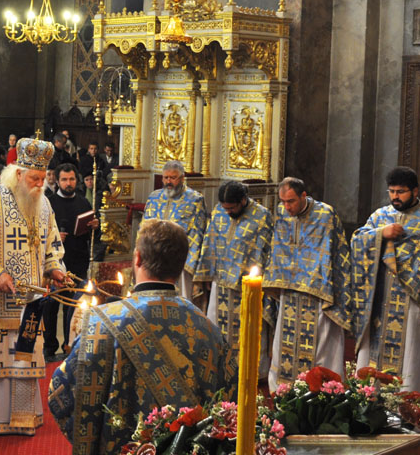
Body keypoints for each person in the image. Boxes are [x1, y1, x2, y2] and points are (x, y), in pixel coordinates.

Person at [49, 219, 234, 455]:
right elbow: (227, 408)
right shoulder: (209, 331)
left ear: (136, 258)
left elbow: (60, 396)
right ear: (182, 263)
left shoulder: (101, 323)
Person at [0, 138, 66, 435]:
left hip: (31, 301)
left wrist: (55, 268)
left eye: (44, 178)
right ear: (18, 173)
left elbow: (51, 244)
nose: (39, 183)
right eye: (34, 177)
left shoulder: (43, 204)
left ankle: (22, 417)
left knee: (25, 356)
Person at [349, 167, 420, 400]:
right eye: (391, 191)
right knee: (375, 360)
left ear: (415, 191)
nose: (395, 197)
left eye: (400, 192)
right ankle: (371, 406)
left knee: (412, 362)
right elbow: (357, 242)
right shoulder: (380, 217)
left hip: (414, 303)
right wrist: (381, 233)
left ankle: (411, 416)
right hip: (380, 300)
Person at [263, 177, 354, 388]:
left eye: (291, 201)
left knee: (320, 348)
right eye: (283, 201)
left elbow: (338, 255)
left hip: (318, 295)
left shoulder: (325, 215)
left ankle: (323, 391)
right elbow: (278, 249)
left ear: (304, 196)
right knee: (285, 346)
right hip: (288, 293)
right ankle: (284, 391)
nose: (287, 207)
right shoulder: (281, 214)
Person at [200, 180, 274, 375]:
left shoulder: (261, 216)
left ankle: (252, 371)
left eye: (231, 208)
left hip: (246, 286)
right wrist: (206, 273)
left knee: (248, 329)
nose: (228, 212)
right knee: (217, 327)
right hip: (220, 283)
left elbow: (263, 252)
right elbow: (210, 241)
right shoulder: (218, 212)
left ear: (243, 200)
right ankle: (219, 368)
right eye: (225, 208)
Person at [42, 163, 98, 360]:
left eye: (72, 179)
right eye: (64, 179)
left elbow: (93, 239)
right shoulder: (47, 203)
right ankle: (49, 348)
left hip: (78, 261)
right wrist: (55, 237)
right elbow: (40, 233)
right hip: (55, 264)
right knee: (50, 306)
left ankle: (70, 345)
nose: (68, 183)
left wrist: (93, 226)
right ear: (57, 181)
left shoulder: (83, 203)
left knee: (73, 307)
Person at [143, 160, 208, 296]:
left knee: (179, 300)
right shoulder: (154, 197)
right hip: (154, 257)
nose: (168, 182)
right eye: (166, 178)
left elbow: (198, 234)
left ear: (182, 178)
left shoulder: (195, 200)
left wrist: (190, 264)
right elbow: (143, 228)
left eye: (173, 178)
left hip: (179, 260)